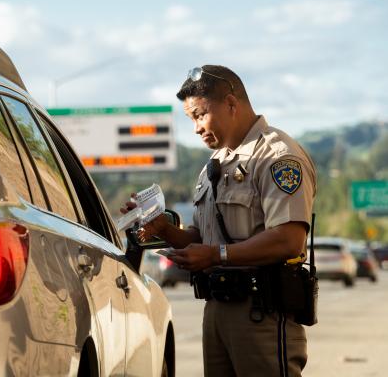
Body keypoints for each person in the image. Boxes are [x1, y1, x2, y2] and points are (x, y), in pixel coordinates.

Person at [121, 65, 316, 377]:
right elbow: (203, 239)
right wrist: (166, 230)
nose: (196, 128)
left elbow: (288, 239)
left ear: (231, 104)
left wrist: (216, 255)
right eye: (191, 119)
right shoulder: (215, 164)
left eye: (200, 114)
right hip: (218, 309)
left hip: (261, 312)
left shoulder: (277, 156)